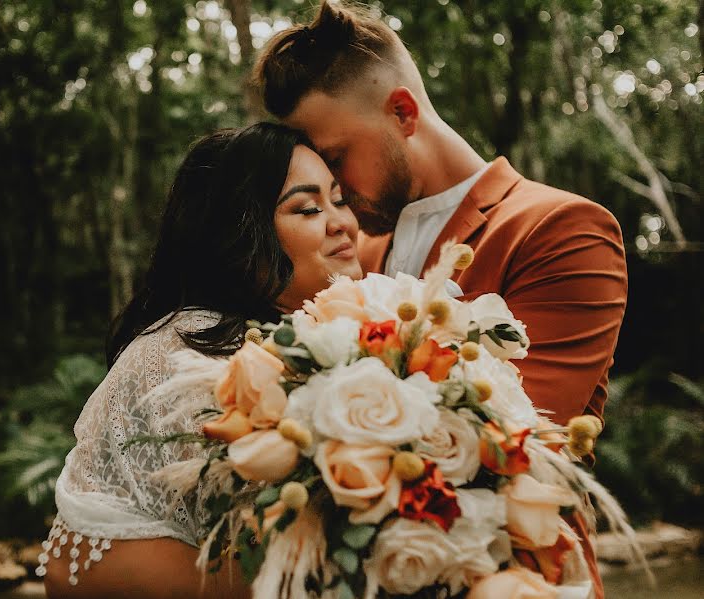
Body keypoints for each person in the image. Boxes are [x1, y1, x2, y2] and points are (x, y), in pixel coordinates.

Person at [253, 3, 628, 597]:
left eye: (338, 158)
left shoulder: (558, 228)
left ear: (403, 112)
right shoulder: (357, 251)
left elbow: (521, 437)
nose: (337, 190)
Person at [41, 122, 362, 599]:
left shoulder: (325, 331)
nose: (342, 222)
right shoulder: (182, 351)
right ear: (238, 235)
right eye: (309, 207)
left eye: (339, 199)